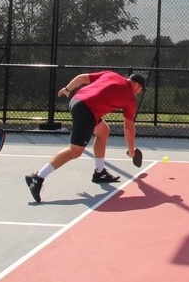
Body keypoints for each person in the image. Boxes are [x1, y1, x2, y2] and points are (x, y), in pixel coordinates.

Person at [25, 71, 145, 202]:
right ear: (137, 85)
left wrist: (67, 89)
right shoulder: (129, 98)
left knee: (103, 131)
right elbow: (129, 128)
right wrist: (131, 150)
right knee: (75, 151)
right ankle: (37, 177)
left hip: (76, 101)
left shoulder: (111, 74)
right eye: (140, 90)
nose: (138, 93)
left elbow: (81, 78)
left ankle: (100, 172)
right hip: (86, 110)